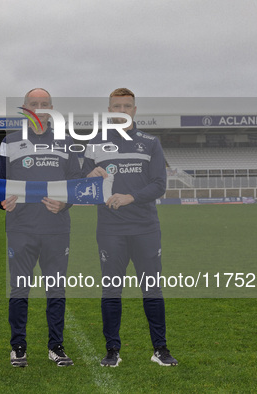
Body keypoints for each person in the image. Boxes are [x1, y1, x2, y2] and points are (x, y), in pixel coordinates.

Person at [82, 88, 178, 367]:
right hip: (110, 229)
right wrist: (88, 175)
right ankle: (112, 350)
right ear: (109, 111)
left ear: (134, 110)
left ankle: (160, 349)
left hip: (145, 228)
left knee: (152, 289)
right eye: (116, 107)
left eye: (127, 106)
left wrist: (130, 197)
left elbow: (159, 184)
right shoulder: (95, 144)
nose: (122, 111)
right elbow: (81, 184)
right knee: (111, 290)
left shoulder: (150, 143)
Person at [0, 88, 82, 367]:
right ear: (24, 108)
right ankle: (18, 347)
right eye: (34, 104)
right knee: (20, 289)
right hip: (20, 229)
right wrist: (1, 203)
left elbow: (76, 184)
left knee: (56, 290)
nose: (39, 108)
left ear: (52, 108)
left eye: (44, 104)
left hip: (57, 229)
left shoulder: (67, 142)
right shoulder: (9, 142)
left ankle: (56, 346)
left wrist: (65, 205)